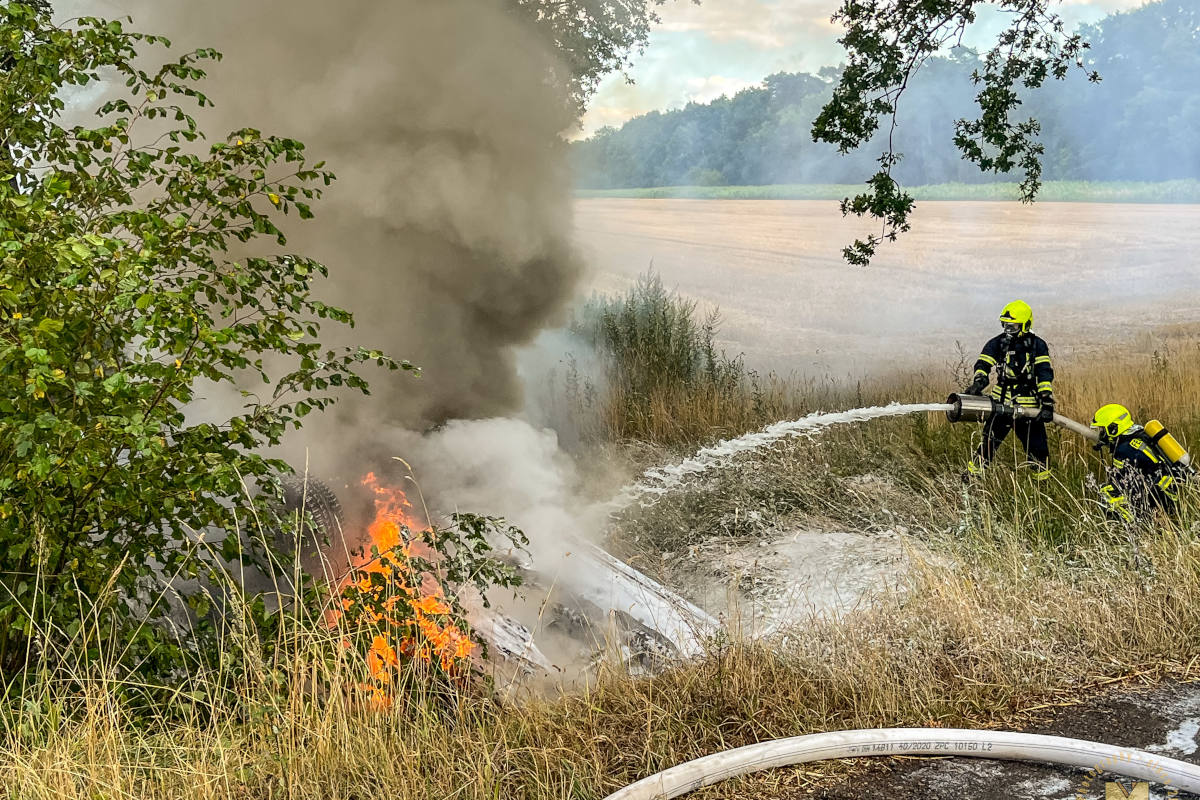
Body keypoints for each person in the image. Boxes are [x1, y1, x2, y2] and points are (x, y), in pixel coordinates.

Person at [961, 300, 1055, 481]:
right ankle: (970, 480)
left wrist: (1047, 401)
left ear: (1025, 325)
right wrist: (979, 381)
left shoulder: (1038, 346)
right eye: (1005, 325)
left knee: (1038, 450)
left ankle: (1043, 487)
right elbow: (983, 363)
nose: (1007, 330)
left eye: (1012, 326)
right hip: (1001, 405)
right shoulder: (997, 343)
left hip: (1029, 409)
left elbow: (1044, 373)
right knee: (988, 444)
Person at [1089, 404, 1179, 522]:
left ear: (1113, 428)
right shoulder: (1138, 434)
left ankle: (1136, 526)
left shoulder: (1124, 449)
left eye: (1103, 430)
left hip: (1159, 496)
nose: (1101, 434)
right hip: (1167, 489)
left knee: (1107, 494)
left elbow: (1121, 480)